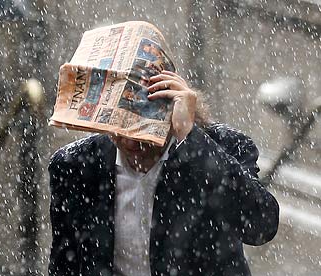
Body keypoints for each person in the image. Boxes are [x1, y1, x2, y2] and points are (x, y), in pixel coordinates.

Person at [48, 69, 279, 275]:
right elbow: (63, 264)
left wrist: (191, 139)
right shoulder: (76, 165)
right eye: (118, 129)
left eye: (140, 129)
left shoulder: (223, 146)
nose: (129, 143)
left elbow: (260, 225)